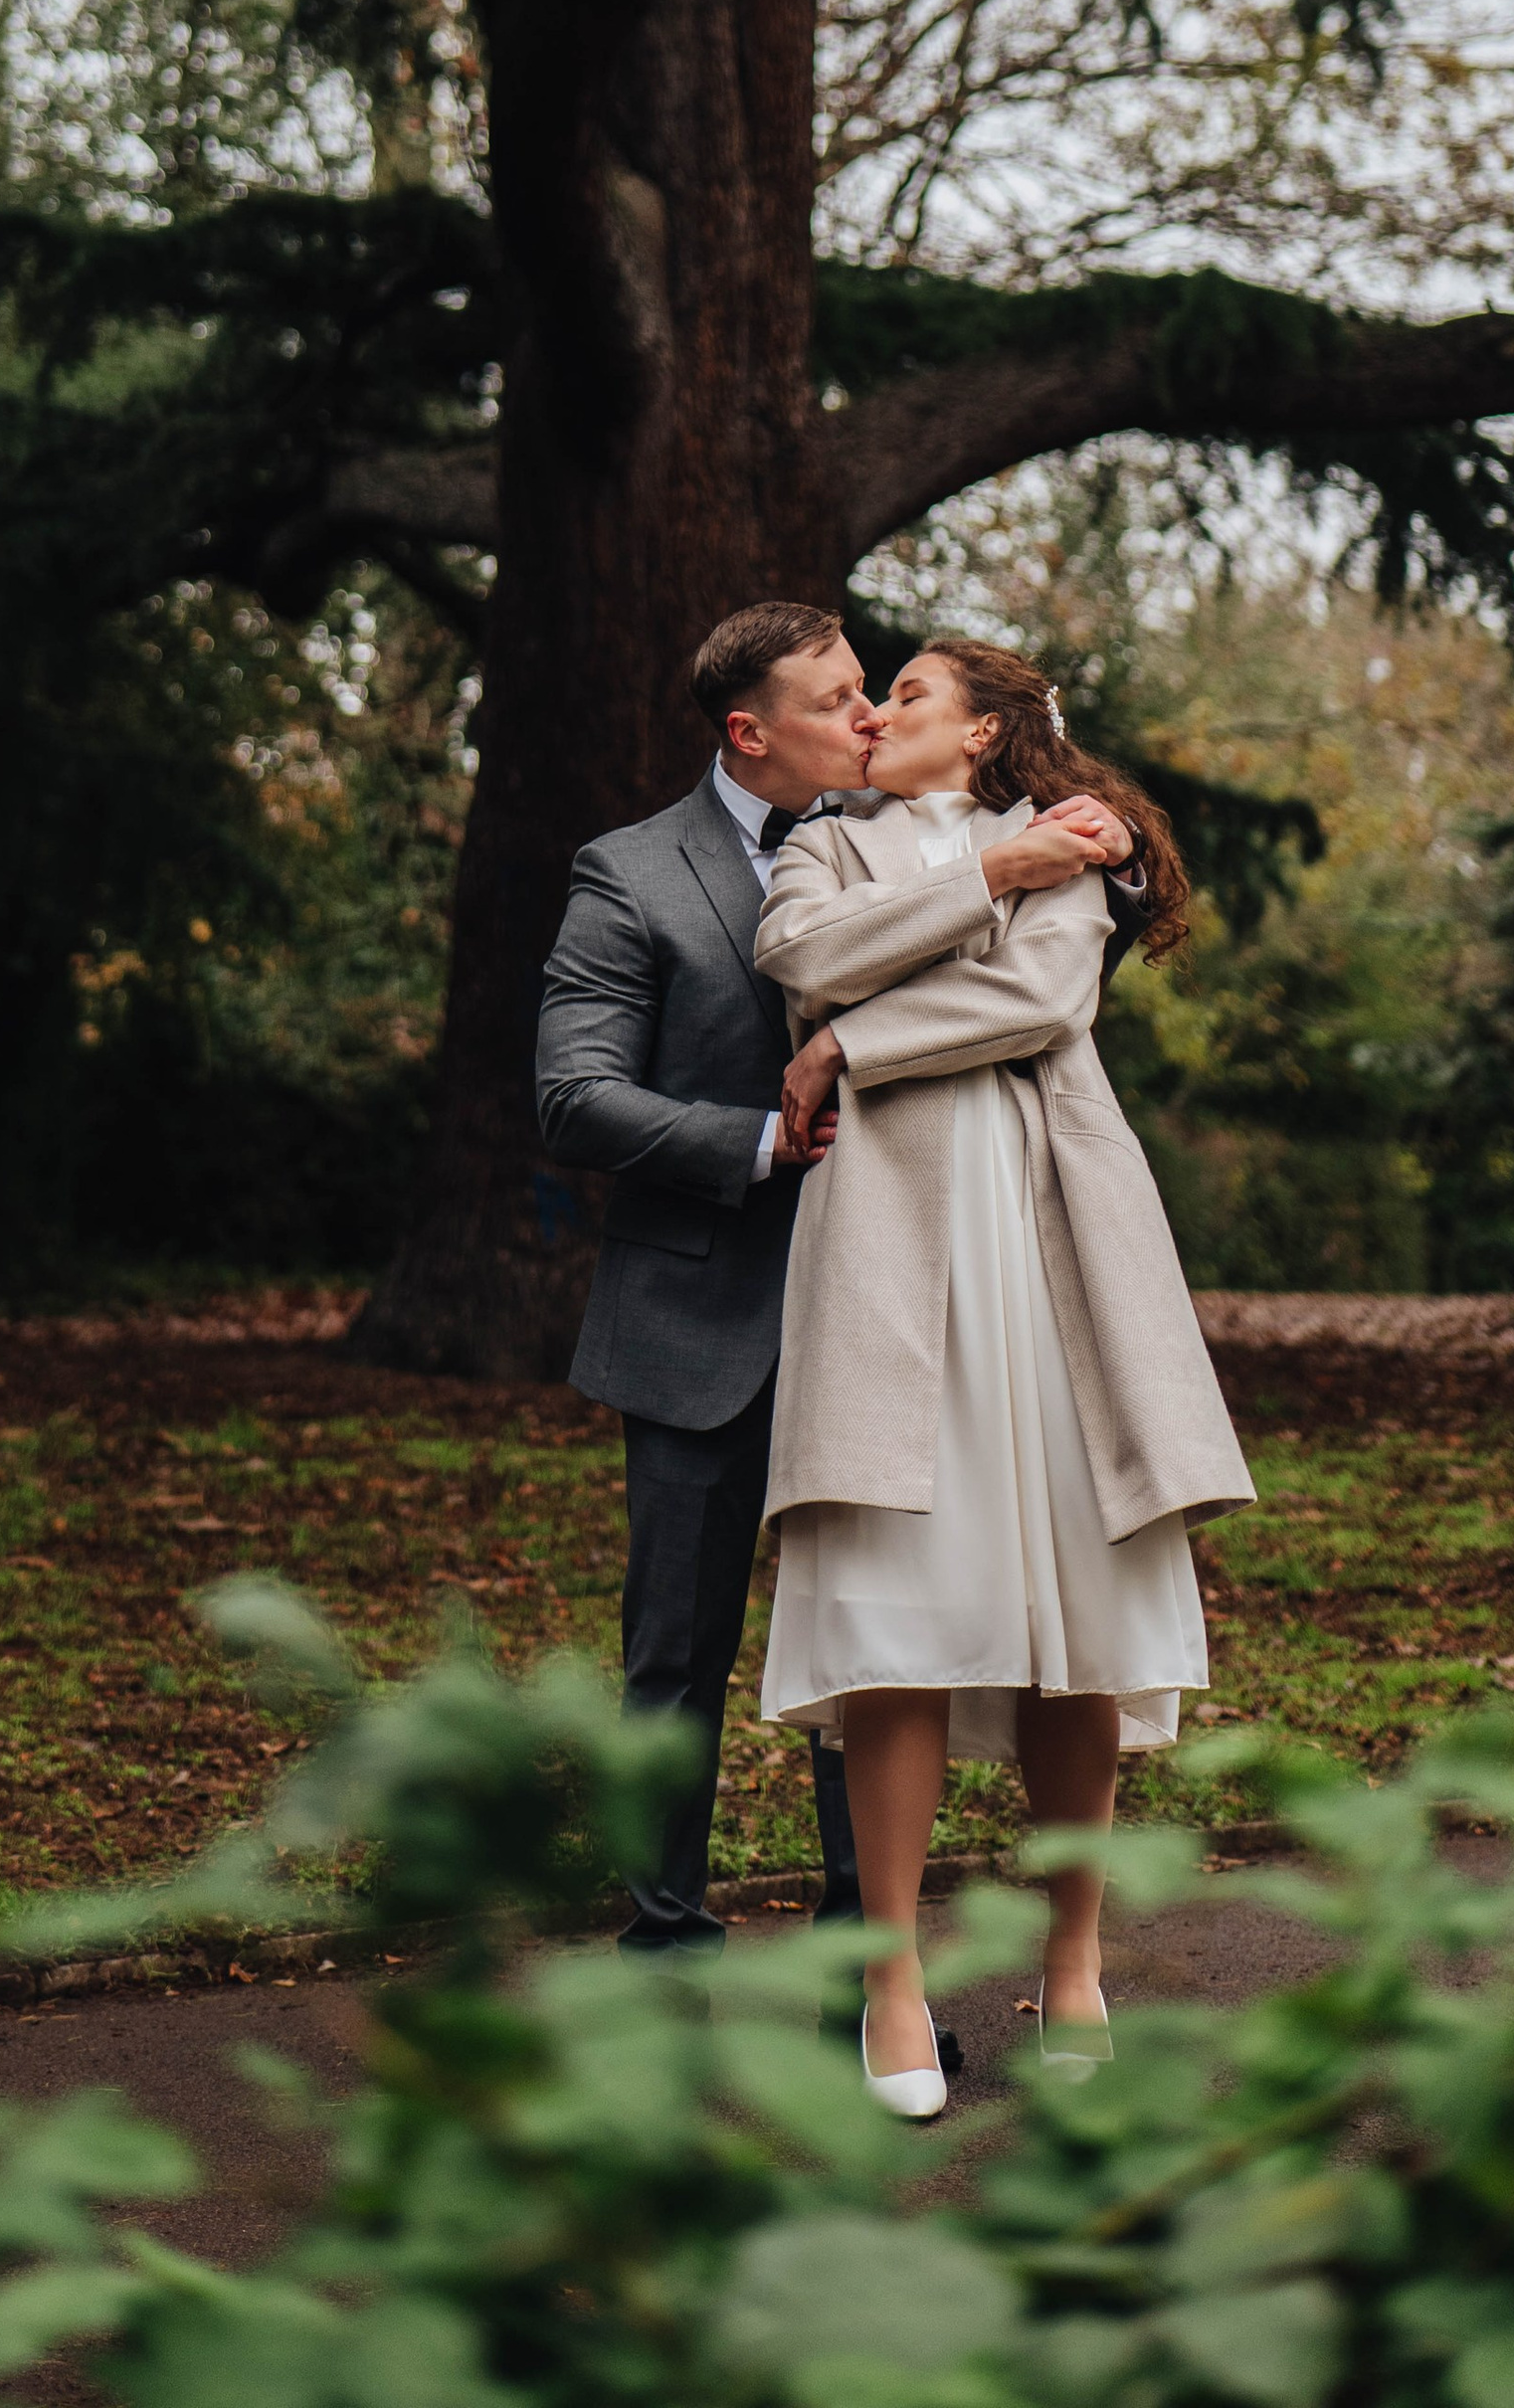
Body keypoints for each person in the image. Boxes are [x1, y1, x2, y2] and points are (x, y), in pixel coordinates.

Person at [754, 638, 1255, 2117]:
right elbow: (800, 958)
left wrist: (853, 1040)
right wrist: (986, 881)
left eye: (902, 694)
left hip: (1052, 1257)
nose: (870, 712)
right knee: (891, 1610)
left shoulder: (1074, 861)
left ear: (979, 735)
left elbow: (1040, 1009)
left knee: (1076, 1613)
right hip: (887, 1257)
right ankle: (893, 1978)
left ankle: (1080, 1963)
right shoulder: (815, 850)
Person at [532, 601, 885, 1954]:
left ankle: (866, 1969)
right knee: (675, 1660)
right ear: (751, 732)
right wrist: (758, 1138)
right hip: (694, 1319)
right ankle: (666, 1943)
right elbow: (574, 1100)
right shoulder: (630, 874)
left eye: (869, 691)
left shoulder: (907, 850)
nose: (870, 717)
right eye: (838, 699)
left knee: (869, 1657)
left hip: (877, 1314)